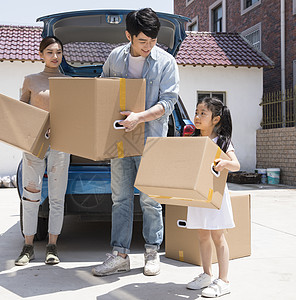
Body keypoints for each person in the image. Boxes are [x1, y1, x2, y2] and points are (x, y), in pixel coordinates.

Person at [92, 8, 179, 277]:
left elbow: (169, 102)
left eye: (153, 41)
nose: (148, 46)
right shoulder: (115, 57)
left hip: (151, 137)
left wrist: (139, 117)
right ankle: (119, 255)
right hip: (120, 137)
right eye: (143, 41)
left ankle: (152, 253)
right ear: (128, 35)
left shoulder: (166, 62)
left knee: (151, 199)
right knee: (120, 198)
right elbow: (104, 91)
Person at [14, 36, 70, 266]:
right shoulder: (31, 80)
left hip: (60, 144)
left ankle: (52, 247)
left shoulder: (69, 82)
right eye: (49, 52)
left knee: (57, 196)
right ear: (41, 54)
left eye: (58, 52)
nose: (55, 56)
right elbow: (21, 112)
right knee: (31, 196)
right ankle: (27, 247)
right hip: (34, 145)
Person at [185, 97, 240, 297]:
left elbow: (236, 164)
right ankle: (206, 274)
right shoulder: (194, 140)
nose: (197, 117)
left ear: (216, 119)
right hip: (198, 195)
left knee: (218, 236)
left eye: (203, 113)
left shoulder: (222, 141)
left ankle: (223, 280)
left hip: (215, 195)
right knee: (202, 235)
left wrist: (224, 163)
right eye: (196, 112)